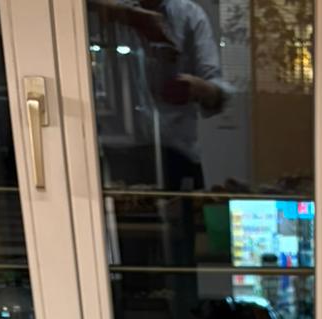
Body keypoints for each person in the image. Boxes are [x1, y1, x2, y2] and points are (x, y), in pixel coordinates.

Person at [90, 0, 231, 190]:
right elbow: (66, 13)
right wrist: (128, 16)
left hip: (177, 155)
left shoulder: (189, 15)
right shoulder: (104, 10)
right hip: (118, 155)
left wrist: (199, 88)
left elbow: (218, 93)